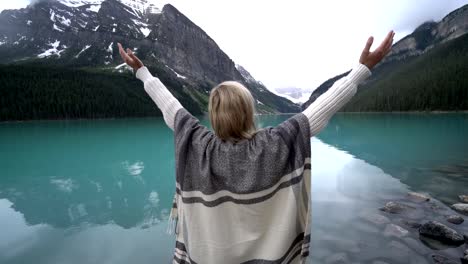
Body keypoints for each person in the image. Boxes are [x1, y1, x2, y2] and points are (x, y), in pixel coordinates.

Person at [118, 30, 395, 264]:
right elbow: (322, 107)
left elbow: (170, 107)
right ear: (249, 113)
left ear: (213, 117)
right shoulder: (275, 144)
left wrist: (142, 72)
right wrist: (361, 70)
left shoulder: (197, 144)